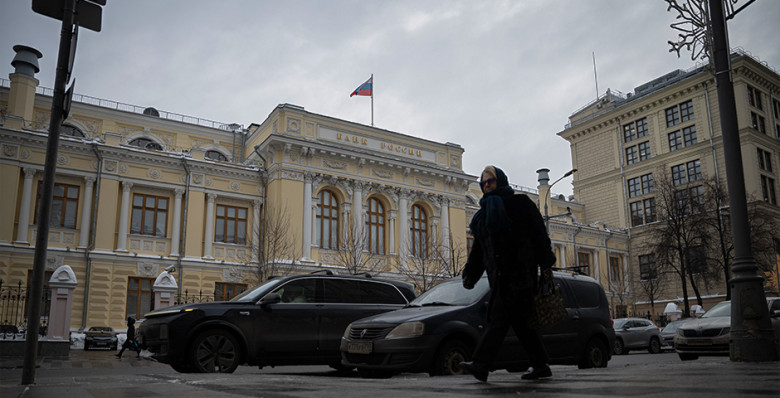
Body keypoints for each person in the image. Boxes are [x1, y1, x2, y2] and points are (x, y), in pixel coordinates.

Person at [458, 166, 556, 382]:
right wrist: (470, 275)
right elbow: (479, 249)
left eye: (490, 181)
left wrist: (546, 263)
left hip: (520, 273)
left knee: (499, 318)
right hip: (499, 276)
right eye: (483, 183)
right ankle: (541, 365)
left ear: (500, 181)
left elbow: (539, 232)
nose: (486, 186)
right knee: (521, 323)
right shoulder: (482, 216)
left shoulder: (519, 204)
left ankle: (481, 364)